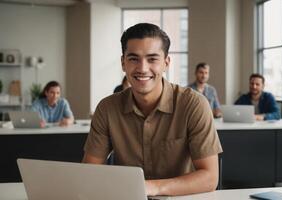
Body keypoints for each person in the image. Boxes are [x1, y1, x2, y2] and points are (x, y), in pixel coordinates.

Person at [83, 23, 222, 196]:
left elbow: (209, 177)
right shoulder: (107, 108)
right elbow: (90, 172)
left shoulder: (194, 104)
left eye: (152, 59)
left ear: (166, 63)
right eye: (133, 58)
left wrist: (151, 187)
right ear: (123, 63)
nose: (142, 68)